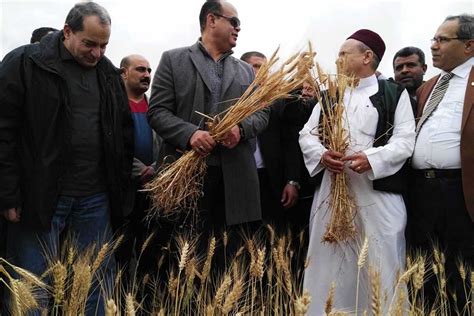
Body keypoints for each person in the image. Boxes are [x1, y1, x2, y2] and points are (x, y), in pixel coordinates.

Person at [0, 2, 133, 314]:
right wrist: (8, 194)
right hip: (40, 195)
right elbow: (3, 130)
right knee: (32, 285)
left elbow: (122, 134)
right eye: (89, 44)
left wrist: (119, 189)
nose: (97, 53)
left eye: (103, 45)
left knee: (97, 286)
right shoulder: (25, 63)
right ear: (67, 31)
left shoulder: (108, 73)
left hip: (94, 197)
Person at [299, 29, 415, 314]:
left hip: (377, 195)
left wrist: (373, 158)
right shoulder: (329, 95)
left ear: (367, 57)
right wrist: (323, 154)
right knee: (329, 262)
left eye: (343, 53)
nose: (337, 59)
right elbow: (306, 135)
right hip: (331, 193)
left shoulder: (394, 93)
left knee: (381, 260)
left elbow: (405, 139)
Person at [147, 0, 268, 254]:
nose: (238, 29)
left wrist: (241, 129)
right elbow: (157, 112)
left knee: (230, 261)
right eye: (233, 22)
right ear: (212, 20)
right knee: (184, 257)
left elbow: (262, 113)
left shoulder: (246, 71)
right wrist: (190, 134)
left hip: (235, 182)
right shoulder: (173, 60)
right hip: (186, 180)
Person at [407, 14, 474, 312]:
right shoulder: (429, 86)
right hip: (422, 191)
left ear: (469, 46)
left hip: (461, 191)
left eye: (442, 40)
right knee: (425, 271)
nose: (433, 46)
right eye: (433, 39)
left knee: (461, 271)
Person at [241, 51, 300, 231]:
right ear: (242, 68)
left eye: (266, 67)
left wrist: (292, 180)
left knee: (271, 235)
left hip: (270, 179)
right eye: (257, 66)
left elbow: (290, 143)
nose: (263, 71)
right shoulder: (230, 101)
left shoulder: (278, 102)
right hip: (239, 179)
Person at [116, 54, 161, 278]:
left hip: (153, 191)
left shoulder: (155, 107)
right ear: (123, 72)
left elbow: (165, 142)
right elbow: (113, 145)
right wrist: (138, 170)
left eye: (149, 71)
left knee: (150, 254)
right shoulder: (114, 106)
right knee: (121, 255)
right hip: (124, 193)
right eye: (140, 70)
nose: (147, 75)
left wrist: (155, 167)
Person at [392, 46, 427, 112]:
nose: (404, 70)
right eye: (399, 67)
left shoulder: (436, 95)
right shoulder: (386, 102)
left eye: (410, 65)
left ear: (424, 69)